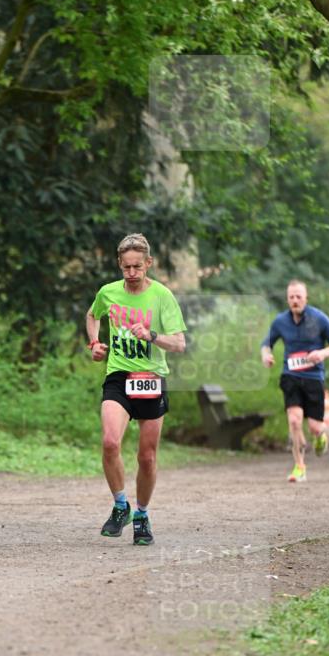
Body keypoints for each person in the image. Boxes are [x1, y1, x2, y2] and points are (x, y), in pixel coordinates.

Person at [86, 233, 186, 544]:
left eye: (137, 267)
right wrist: (95, 343)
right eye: (126, 267)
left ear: (148, 264)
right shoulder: (108, 292)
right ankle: (120, 506)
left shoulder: (162, 296)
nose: (131, 274)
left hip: (151, 378)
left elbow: (180, 343)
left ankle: (141, 514)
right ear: (119, 264)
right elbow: (92, 315)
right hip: (118, 375)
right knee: (110, 442)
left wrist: (151, 335)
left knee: (146, 457)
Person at [261, 280, 329, 482]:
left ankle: (320, 435)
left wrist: (322, 353)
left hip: (313, 378)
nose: (295, 300)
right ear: (287, 299)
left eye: (299, 296)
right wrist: (266, 355)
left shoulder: (319, 318)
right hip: (291, 377)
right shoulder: (280, 321)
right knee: (294, 421)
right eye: (291, 297)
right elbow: (266, 343)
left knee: (315, 427)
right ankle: (299, 467)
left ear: (306, 298)